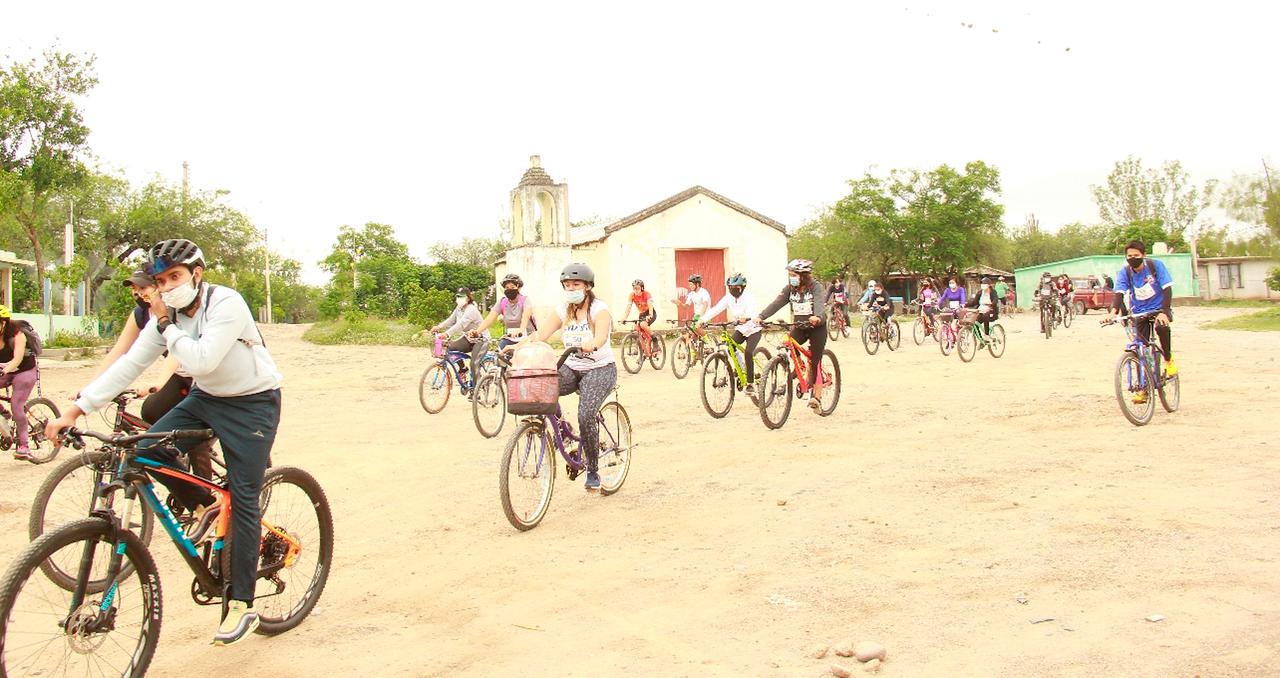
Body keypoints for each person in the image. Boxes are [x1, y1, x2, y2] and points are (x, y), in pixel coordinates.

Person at [45, 238, 282, 646]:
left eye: (175, 277)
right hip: (206, 399)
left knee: (244, 496)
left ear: (197, 274)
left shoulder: (226, 302)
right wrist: (76, 409)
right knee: (144, 450)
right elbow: (129, 366)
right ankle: (204, 503)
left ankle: (242, 605)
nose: (168, 286)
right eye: (161, 280)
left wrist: (167, 326)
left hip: (252, 403)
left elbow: (203, 358)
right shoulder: (165, 318)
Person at [91, 269, 213, 478]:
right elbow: (120, 351)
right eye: (135, 290)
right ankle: (173, 458)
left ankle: (203, 482)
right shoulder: (139, 315)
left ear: (158, 287)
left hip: (193, 374)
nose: (138, 293)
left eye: (143, 288)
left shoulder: (173, 309)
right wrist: (91, 387)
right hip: (176, 375)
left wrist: (158, 383)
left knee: (186, 425)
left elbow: (177, 352)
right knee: (151, 413)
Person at [515, 263, 616, 492]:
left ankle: (592, 468)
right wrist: (516, 347)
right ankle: (565, 433)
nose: (571, 289)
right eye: (567, 285)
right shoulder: (564, 310)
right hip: (571, 365)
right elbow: (540, 334)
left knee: (586, 414)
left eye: (576, 284)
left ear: (588, 286)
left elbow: (600, 336)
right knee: (541, 388)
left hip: (600, 368)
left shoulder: (599, 310)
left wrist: (593, 343)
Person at [1104, 240, 1177, 391]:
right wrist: (1113, 313)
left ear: (1144, 255)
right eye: (1129, 256)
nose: (1132, 258)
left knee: (1161, 327)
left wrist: (1164, 312)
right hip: (1139, 312)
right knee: (1140, 349)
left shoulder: (1155, 266)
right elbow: (1119, 293)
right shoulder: (1126, 272)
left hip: (1159, 308)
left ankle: (1169, 360)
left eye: (1136, 255)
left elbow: (1167, 289)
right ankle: (1144, 388)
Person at [755, 259, 827, 410]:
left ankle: (816, 397)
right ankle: (799, 366)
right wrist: (761, 317)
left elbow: (820, 303)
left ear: (803, 275)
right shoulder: (789, 289)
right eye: (790, 275)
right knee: (787, 343)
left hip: (816, 328)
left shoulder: (815, 287)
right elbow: (777, 303)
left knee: (815, 361)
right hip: (799, 327)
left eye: (794, 275)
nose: (791, 277)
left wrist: (818, 317)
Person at [698, 273, 762, 395]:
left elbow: (752, 310)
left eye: (736, 288)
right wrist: (702, 320)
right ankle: (741, 368)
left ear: (742, 287)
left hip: (753, 329)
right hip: (741, 329)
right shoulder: (728, 298)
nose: (733, 290)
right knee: (729, 347)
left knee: (748, 352)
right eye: (731, 288)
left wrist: (746, 316)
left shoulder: (749, 297)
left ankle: (750, 384)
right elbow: (716, 309)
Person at [468, 274, 534, 371]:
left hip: (527, 337)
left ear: (519, 288)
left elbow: (526, 317)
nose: (509, 289)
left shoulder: (525, 300)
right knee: (500, 356)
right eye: (506, 287)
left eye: (512, 287)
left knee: (523, 364)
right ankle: (500, 379)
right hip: (510, 337)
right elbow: (490, 319)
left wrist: (521, 329)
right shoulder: (503, 302)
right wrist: (478, 331)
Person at [0, 304, 39, 460]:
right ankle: (4, 414)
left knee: (17, 405)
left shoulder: (17, 335)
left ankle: (24, 446)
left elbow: (17, 359)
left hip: (24, 371)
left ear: (4, 323)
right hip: (5, 370)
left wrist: (6, 369)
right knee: (12, 410)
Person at [428, 287, 483, 390]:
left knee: (473, 364)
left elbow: (461, 325)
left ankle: (476, 389)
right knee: (451, 347)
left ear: (468, 298)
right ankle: (463, 369)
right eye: (458, 296)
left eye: (462, 297)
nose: (459, 299)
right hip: (468, 338)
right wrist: (439, 327)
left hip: (480, 339)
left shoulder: (471, 309)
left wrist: (447, 334)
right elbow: (451, 320)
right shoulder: (459, 308)